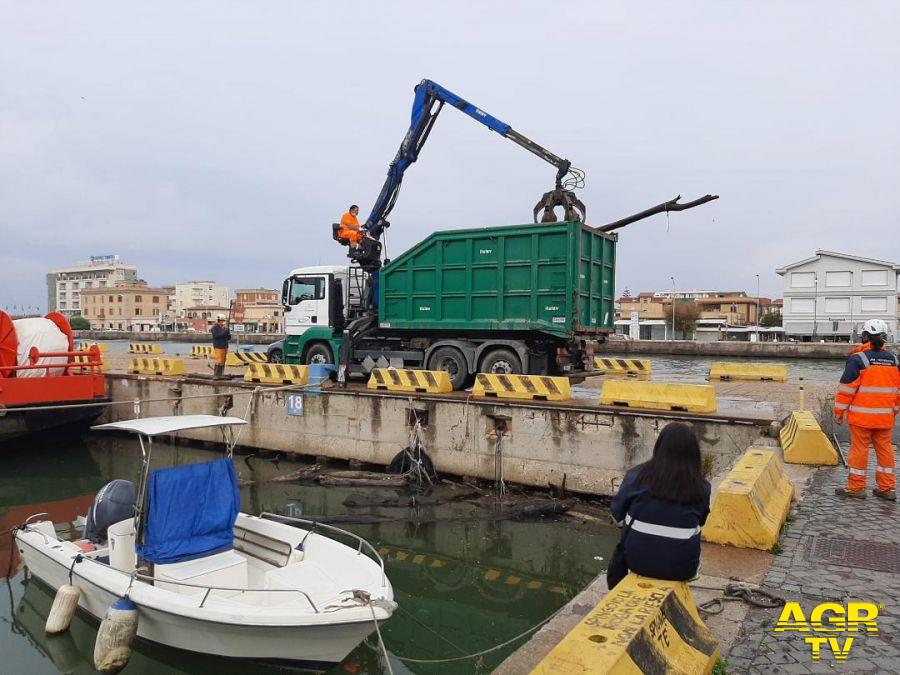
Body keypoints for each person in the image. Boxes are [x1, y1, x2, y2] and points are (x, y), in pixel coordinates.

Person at [607, 422, 711, 590]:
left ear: (659, 447)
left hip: (637, 562)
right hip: (683, 569)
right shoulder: (701, 486)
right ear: (693, 453)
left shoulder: (636, 476)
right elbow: (701, 520)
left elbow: (616, 512)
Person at [834, 321, 899, 501]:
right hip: (885, 418)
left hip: (861, 418)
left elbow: (846, 390)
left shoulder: (858, 359)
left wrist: (839, 412)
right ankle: (887, 489)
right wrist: (893, 411)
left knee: (859, 450)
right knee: (885, 450)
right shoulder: (894, 360)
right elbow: (898, 392)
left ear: (865, 336)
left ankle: (856, 487)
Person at [210, 313, 230, 380]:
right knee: (219, 361)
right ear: (218, 321)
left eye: (223, 321)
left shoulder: (224, 328)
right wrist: (225, 331)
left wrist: (228, 333)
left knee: (223, 361)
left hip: (224, 346)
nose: (223, 322)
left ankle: (221, 374)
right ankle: (216, 375)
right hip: (218, 346)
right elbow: (217, 336)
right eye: (221, 321)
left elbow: (227, 337)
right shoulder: (214, 328)